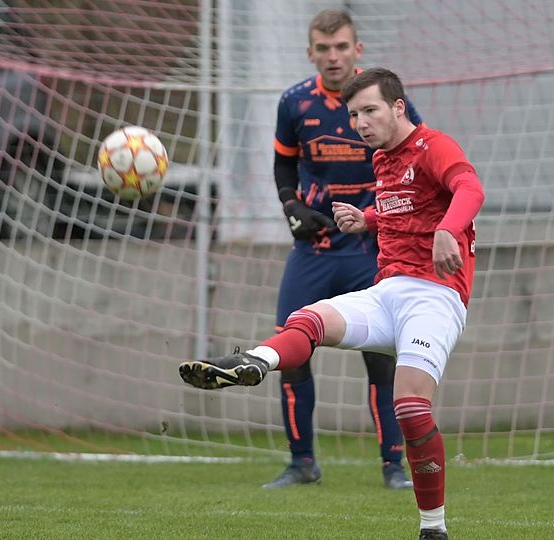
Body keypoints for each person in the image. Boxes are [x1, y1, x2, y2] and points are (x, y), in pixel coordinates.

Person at [180, 67, 483, 540]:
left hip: (435, 297)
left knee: (410, 409)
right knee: (309, 318)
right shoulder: (383, 158)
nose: (360, 123)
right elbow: (406, 207)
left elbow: (470, 188)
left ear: (398, 107)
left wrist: (448, 229)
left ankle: (433, 528)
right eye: (354, 115)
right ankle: (255, 361)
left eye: (370, 111)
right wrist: (368, 219)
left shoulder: (433, 145)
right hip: (387, 292)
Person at [263, 9, 422, 490]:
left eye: (341, 47)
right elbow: (283, 165)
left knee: (381, 356)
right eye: (323, 48)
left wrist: (386, 216)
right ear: (310, 53)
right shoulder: (294, 102)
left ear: (358, 49)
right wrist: (291, 205)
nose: (333, 56)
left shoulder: (387, 100)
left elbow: (416, 160)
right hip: (313, 251)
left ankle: (394, 466)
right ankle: (302, 463)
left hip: (371, 251)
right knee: (291, 351)